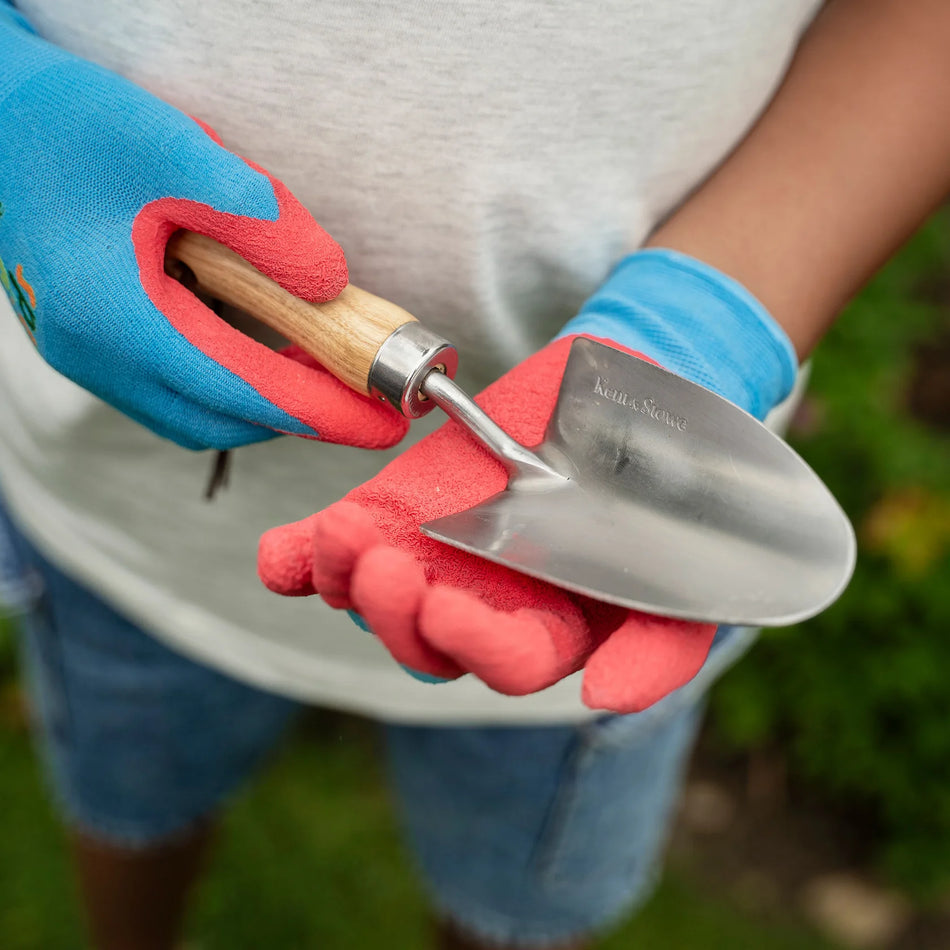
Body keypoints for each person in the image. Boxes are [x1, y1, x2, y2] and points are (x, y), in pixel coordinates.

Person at [1, 1, 948, 947]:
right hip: (114, 501)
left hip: (610, 502)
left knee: (507, 913)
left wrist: (711, 318)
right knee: (131, 801)